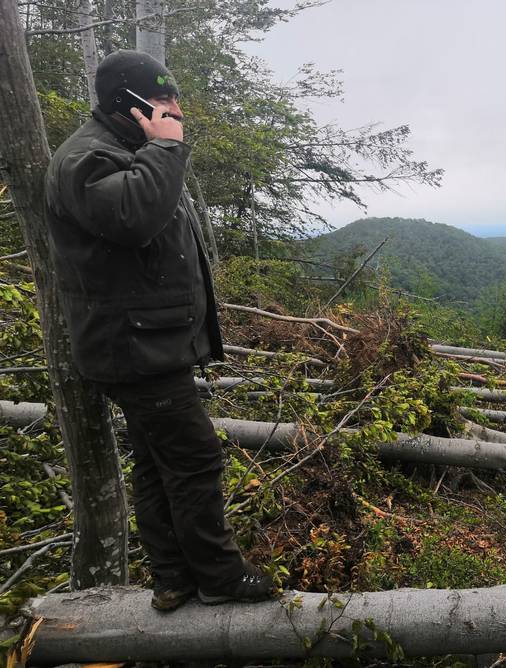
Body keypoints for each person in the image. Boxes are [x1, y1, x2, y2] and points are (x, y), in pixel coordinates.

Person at [44, 50, 273, 611]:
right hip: (132, 346)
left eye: (172, 97)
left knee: (156, 460)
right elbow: (134, 217)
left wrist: (156, 147)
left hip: (143, 339)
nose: (175, 108)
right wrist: (166, 146)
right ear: (129, 101)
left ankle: (173, 578)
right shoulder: (87, 158)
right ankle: (219, 577)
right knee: (194, 456)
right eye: (163, 98)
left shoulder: (119, 148)